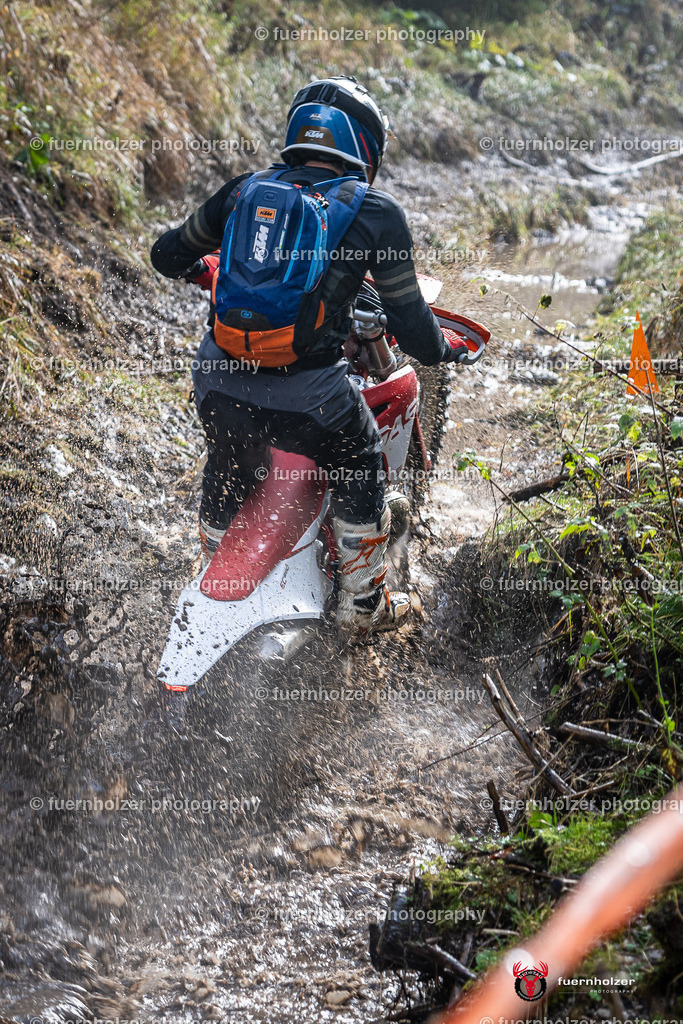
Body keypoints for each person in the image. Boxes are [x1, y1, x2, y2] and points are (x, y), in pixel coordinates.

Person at [151, 76, 469, 637]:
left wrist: (204, 267)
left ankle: (214, 561)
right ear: (365, 148)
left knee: (227, 454)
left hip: (217, 388)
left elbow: (166, 252)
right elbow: (415, 330)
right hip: (313, 404)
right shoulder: (375, 212)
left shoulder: (242, 192)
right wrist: (446, 348)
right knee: (358, 454)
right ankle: (362, 603)